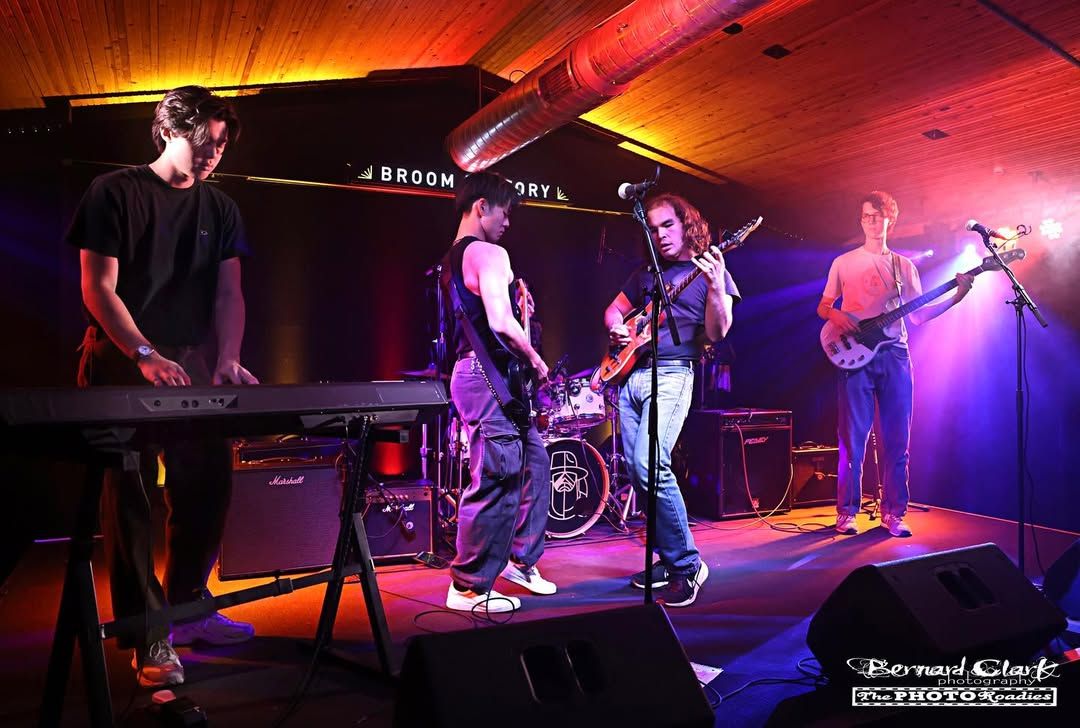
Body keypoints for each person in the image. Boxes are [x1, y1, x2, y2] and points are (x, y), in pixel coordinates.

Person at [67, 86, 258, 687]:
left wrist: (228, 356)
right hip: (120, 356)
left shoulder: (220, 208)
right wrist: (144, 353)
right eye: (205, 139)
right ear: (171, 129)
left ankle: (189, 609)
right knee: (130, 502)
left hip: (188, 361)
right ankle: (148, 636)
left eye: (222, 143)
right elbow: (98, 287)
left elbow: (229, 293)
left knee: (208, 482)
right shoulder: (114, 192)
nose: (214, 152)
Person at [603, 193, 740, 607]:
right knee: (637, 472)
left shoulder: (711, 271)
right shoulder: (646, 274)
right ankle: (666, 557)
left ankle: (687, 564)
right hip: (631, 375)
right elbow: (613, 311)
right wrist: (617, 328)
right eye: (654, 228)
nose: (661, 234)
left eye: (668, 225)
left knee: (650, 464)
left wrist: (714, 286)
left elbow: (718, 332)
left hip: (673, 374)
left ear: (686, 225)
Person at [817, 190, 972, 537]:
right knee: (852, 440)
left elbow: (917, 316)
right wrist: (838, 315)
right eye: (865, 216)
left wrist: (957, 297)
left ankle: (894, 513)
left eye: (876, 216)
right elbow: (823, 307)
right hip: (855, 357)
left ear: (890, 220)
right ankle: (847, 513)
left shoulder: (905, 266)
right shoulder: (844, 262)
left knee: (898, 439)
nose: (870, 222)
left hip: (895, 355)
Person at [440, 171, 556, 614]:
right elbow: (500, 324)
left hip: (475, 374)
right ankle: (468, 586)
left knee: (534, 464)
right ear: (481, 206)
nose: (507, 222)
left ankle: (520, 561)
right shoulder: (488, 252)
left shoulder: (449, 261)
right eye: (504, 212)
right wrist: (537, 361)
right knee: (496, 476)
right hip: (485, 376)